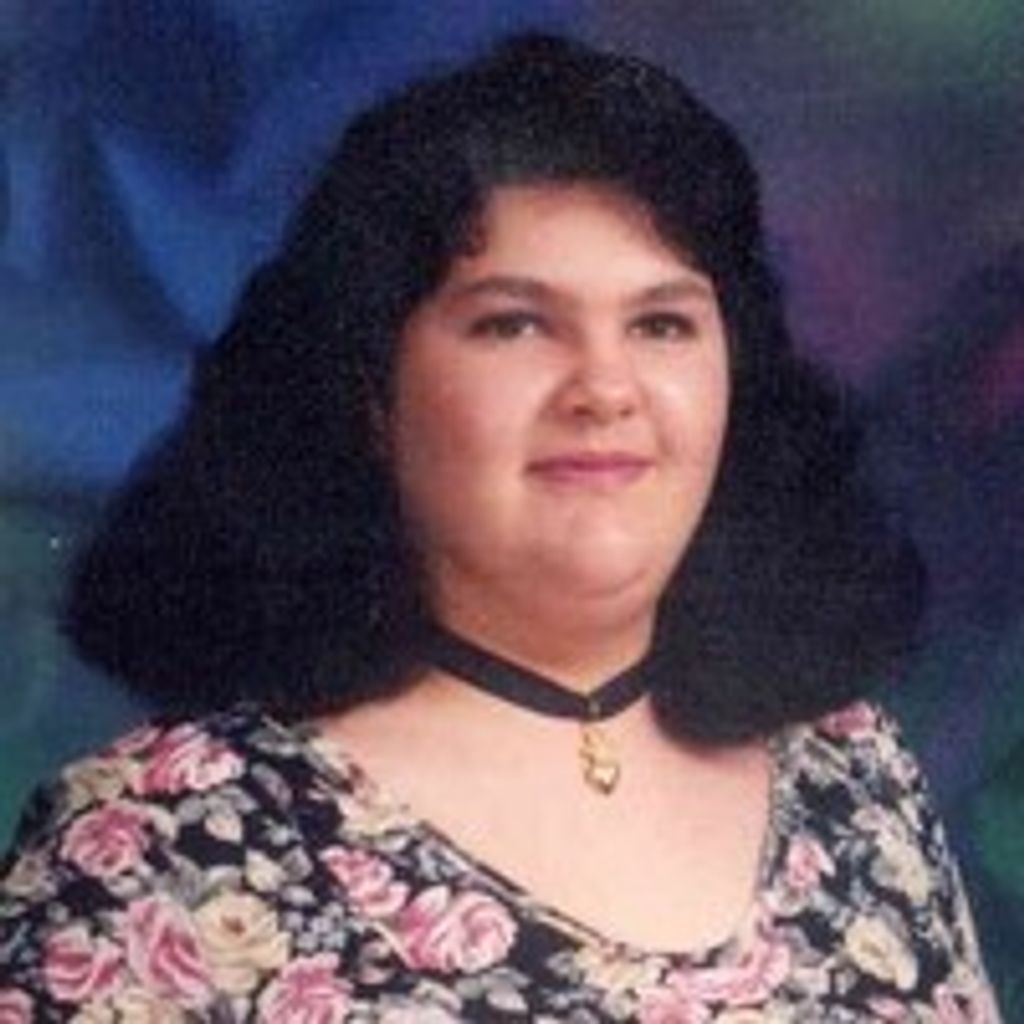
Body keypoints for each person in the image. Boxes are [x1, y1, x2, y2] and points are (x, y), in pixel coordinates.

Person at [0, 32, 999, 1021]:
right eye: (514, 323)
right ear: (372, 394)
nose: (604, 388)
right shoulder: (161, 847)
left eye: (661, 324)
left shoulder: (854, 779)